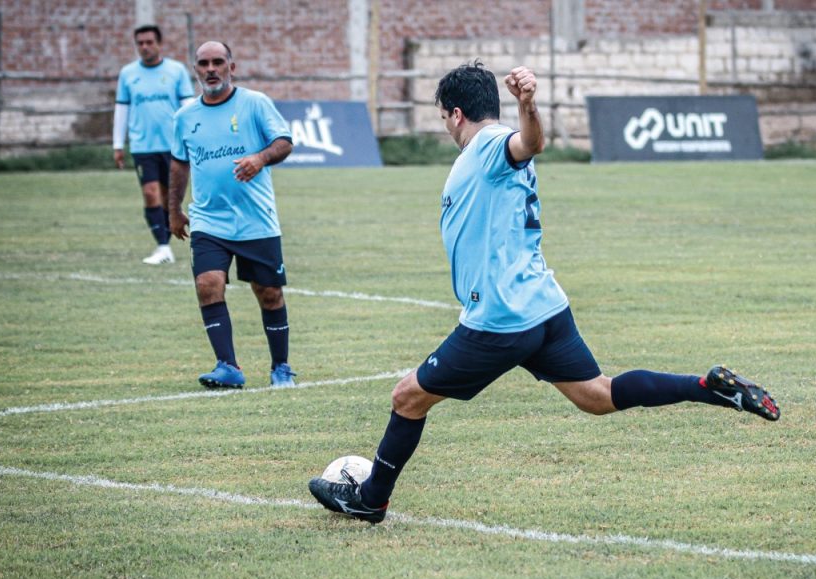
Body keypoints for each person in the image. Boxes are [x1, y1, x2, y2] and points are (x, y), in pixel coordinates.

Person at [309, 62, 780, 523]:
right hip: (543, 306)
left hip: (500, 319)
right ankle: (708, 388)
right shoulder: (488, 153)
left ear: (456, 114)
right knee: (597, 395)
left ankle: (371, 499)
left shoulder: (489, 146)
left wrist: (528, 105)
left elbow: (529, 143)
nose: (447, 127)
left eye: (443, 118)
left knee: (408, 396)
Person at [169, 40, 296, 389]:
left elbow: (284, 142)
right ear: (195, 70)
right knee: (207, 284)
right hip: (208, 220)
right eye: (203, 63)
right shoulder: (184, 117)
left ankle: (281, 368)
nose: (211, 69)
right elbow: (179, 164)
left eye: (217, 62)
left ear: (231, 67)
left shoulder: (255, 103)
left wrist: (260, 158)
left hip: (256, 219)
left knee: (269, 292)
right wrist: (173, 210)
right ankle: (227, 366)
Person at [113, 24, 194, 265]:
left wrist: (194, 136)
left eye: (149, 42)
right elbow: (122, 109)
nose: (145, 47)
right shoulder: (128, 74)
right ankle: (162, 246)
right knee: (150, 194)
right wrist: (118, 144)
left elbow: (188, 106)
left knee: (170, 197)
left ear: (159, 44)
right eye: (140, 43)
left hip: (173, 146)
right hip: (142, 146)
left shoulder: (176, 71)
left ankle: (167, 244)